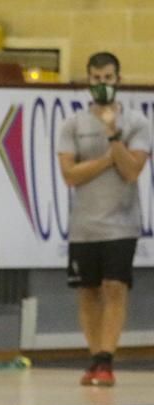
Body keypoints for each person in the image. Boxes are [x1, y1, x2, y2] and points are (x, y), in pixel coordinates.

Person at [57, 52, 152, 387]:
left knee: (114, 287)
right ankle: (93, 355)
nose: (102, 85)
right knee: (87, 290)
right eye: (96, 79)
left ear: (118, 80)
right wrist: (109, 158)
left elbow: (131, 171)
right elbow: (70, 174)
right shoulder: (73, 124)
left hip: (121, 223)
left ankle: (106, 359)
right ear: (89, 80)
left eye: (108, 78)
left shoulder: (137, 123)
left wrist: (114, 138)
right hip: (84, 225)